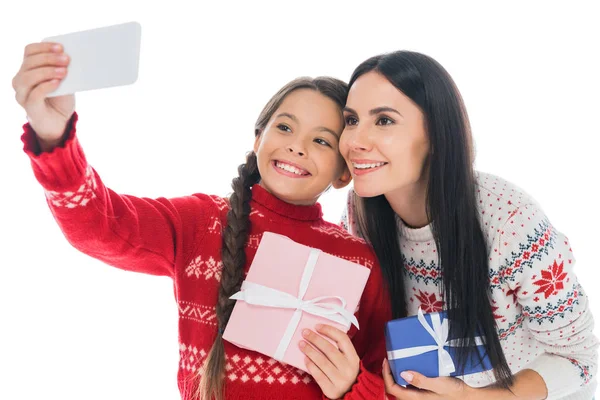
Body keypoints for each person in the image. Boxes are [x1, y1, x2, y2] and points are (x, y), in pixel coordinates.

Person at [12, 42, 391, 400]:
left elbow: (386, 380)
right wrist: (53, 135)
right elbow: (100, 224)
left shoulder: (358, 260)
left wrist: (354, 385)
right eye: (285, 127)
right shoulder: (199, 221)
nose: (297, 146)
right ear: (257, 139)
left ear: (345, 172)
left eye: (322, 141)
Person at [339, 50, 598, 400]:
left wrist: (468, 397)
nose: (354, 141)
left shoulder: (509, 223)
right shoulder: (361, 215)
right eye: (351, 120)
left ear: (435, 133)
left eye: (384, 120)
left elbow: (581, 359)